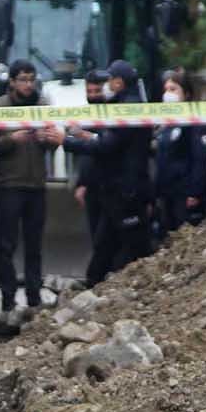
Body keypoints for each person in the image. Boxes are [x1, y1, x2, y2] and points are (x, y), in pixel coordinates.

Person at [65, 57, 154, 285]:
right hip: (114, 189)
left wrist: (65, 142)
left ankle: (123, 287)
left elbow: (106, 145)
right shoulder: (121, 106)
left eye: (110, 80)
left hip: (126, 191)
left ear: (119, 82)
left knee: (133, 247)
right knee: (104, 243)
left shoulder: (128, 109)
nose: (106, 86)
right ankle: (92, 284)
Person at [0, 58, 62, 311]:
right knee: (6, 245)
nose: (28, 85)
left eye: (31, 80)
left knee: (34, 245)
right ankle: (8, 299)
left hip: (36, 185)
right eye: (23, 79)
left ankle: (34, 298)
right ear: (11, 81)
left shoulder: (43, 105)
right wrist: (11, 139)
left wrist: (48, 139)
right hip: (10, 185)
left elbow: (54, 143)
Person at [154, 76, 206, 235]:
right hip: (168, 193)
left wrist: (195, 192)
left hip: (186, 193)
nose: (168, 94)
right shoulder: (166, 123)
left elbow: (200, 159)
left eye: (173, 89)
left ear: (186, 94)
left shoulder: (194, 122)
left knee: (186, 237)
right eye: (166, 90)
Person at [74, 68, 110, 245]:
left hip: (112, 186)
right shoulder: (86, 116)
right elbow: (85, 154)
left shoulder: (117, 113)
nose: (93, 96)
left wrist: (84, 136)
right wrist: (82, 183)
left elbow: (106, 145)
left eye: (97, 91)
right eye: (89, 92)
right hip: (92, 187)